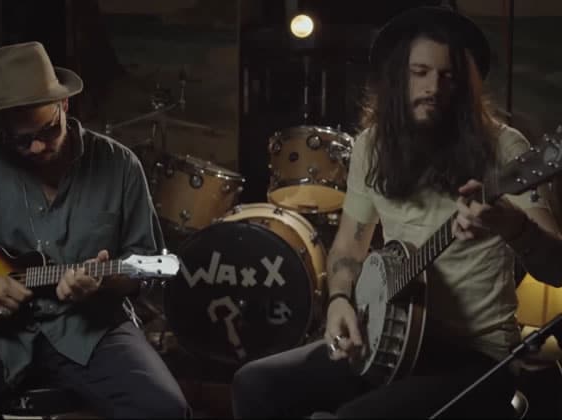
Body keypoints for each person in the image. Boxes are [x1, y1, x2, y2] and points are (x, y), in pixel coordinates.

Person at [231, 6, 561, 419]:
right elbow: (349, 245)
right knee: (255, 384)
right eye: (419, 72)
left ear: (466, 85)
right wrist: (339, 300)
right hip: (385, 338)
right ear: (397, 77)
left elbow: (557, 268)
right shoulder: (371, 146)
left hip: (475, 357)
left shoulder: (505, 148)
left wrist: (511, 224)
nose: (433, 87)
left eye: (448, 76)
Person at [0, 41, 190, 418]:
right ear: (1, 123)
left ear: (64, 104)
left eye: (47, 131)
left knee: (165, 409)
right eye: (21, 138)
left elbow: (143, 267)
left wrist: (104, 282)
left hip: (92, 330)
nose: (36, 147)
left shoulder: (120, 166)